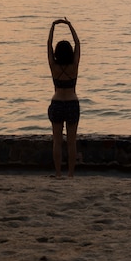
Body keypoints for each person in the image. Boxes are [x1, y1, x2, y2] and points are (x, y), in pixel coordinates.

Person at [47, 18, 81, 178]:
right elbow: (78, 44)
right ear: (70, 52)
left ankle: (59, 173)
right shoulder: (74, 66)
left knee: (57, 141)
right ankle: (71, 174)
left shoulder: (54, 66)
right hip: (72, 103)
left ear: (56, 53)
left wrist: (53, 26)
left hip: (57, 103)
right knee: (71, 142)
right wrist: (69, 25)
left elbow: (48, 45)